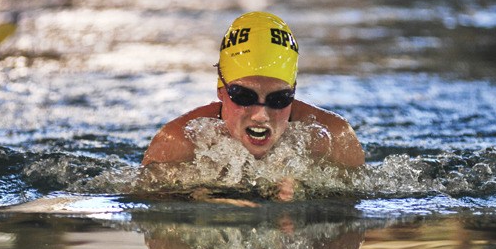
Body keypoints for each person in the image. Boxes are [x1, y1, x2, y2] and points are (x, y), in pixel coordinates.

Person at [141, 11, 365, 183]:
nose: (260, 115)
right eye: (244, 96)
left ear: (294, 93)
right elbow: (154, 226)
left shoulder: (335, 141)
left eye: (278, 99)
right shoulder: (177, 144)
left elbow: (349, 232)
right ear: (221, 90)